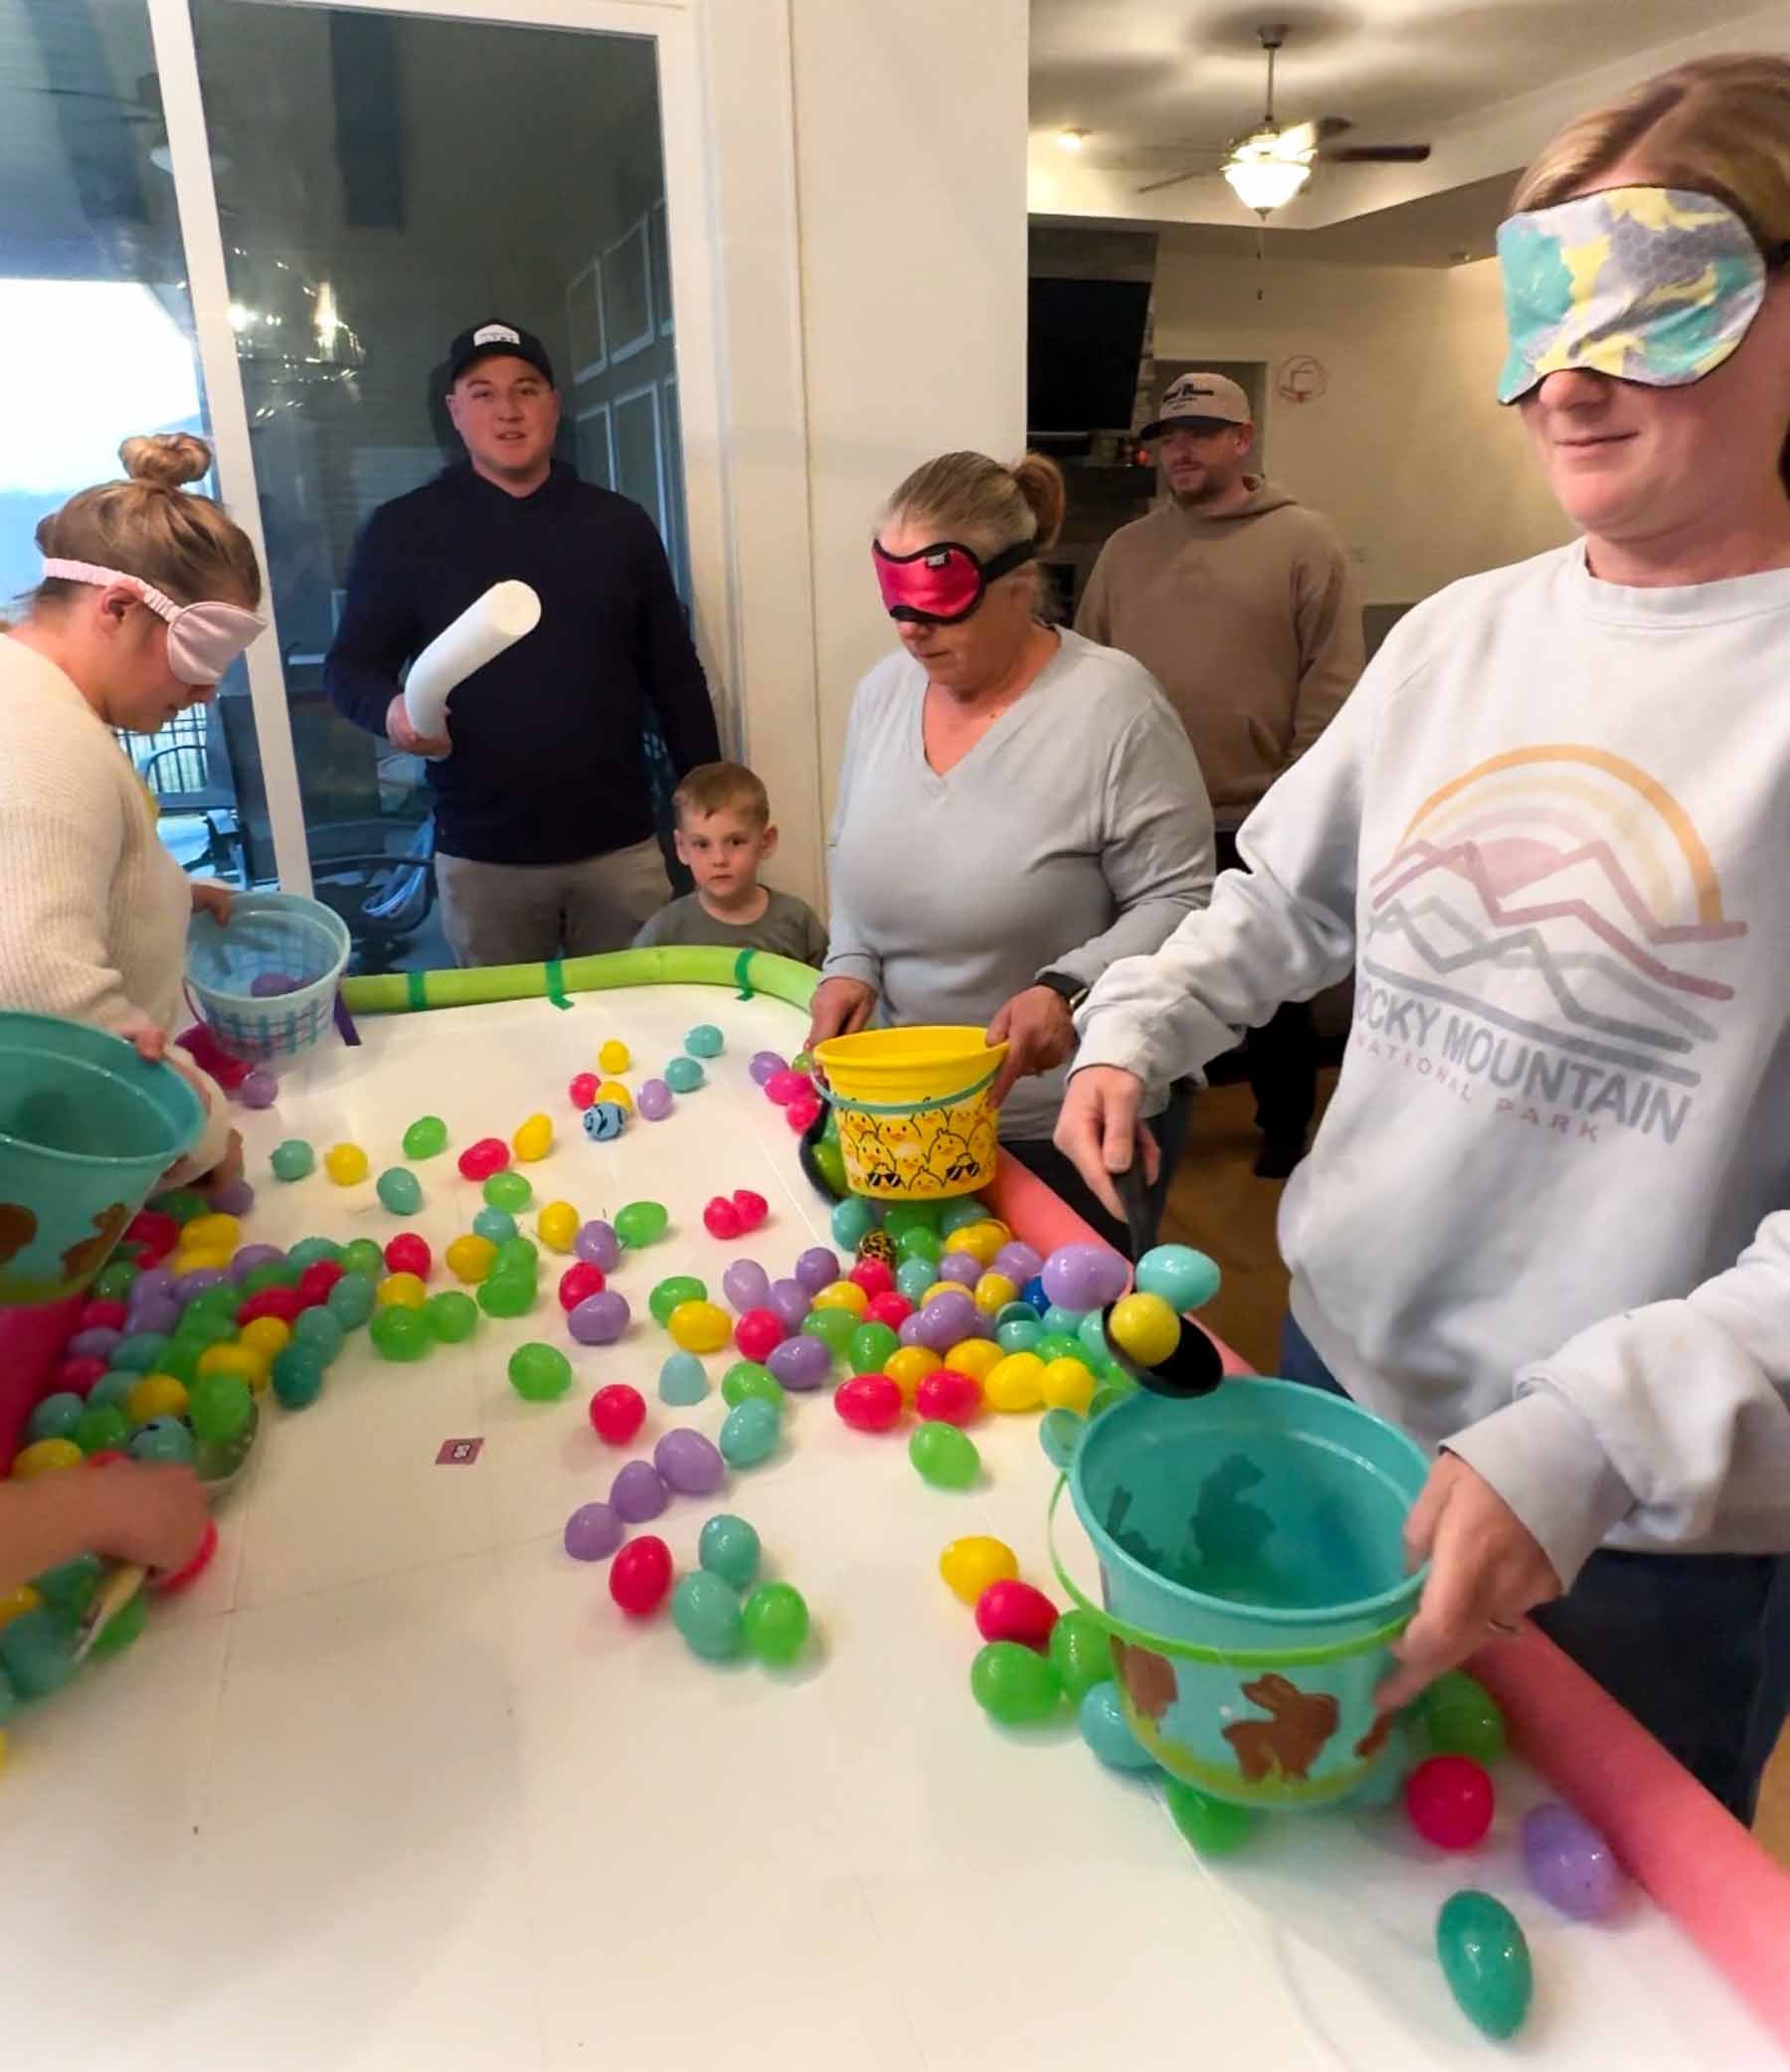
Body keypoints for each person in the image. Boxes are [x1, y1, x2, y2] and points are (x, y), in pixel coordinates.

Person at [1053, 53, 1790, 1819]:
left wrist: (1594, 1435)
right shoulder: (1459, 636)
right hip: (1338, 1372)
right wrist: (1137, 1022)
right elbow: (1288, 894)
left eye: (1655, 302)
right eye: (1539, 311)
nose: (1568, 375)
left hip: (1635, 1522)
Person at [806, 450, 1214, 1253]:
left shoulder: (1114, 708)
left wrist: (1066, 988)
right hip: (905, 1119)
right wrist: (848, 961)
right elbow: (851, 848)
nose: (911, 628)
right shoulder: (882, 695)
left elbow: (1183, 901)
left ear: (1020, 585)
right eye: (896, 602)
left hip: (1066, 1122)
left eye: (937, 603)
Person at [324, 321, 720, 965]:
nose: (507, 410)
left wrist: (707, 803)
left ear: (554, 404)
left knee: (637, 1029)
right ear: (455, 412)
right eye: (482, 393)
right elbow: (350, 668)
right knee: (507, 1045)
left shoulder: (617, 525)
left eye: (526, 389)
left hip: (619, 849)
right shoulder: (404, 531)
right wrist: (391, 709)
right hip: (484, 857)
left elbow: (674, 674)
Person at [1077, 372, 1363, 1177]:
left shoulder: (1305, 541)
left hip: (1256, 810)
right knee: (1137, 974)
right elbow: (1089, 670)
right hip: (1140, 815)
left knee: (1270, 987)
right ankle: (1139, 1117)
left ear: (1242, 439)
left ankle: (1282, 1129)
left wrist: (1297, 794)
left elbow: (1332, 680)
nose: (1180, 451)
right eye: (1168, 438)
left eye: (1200, 434)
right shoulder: (1127, 551)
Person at [0, 432, 261, 1189]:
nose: (207, 692)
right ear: (116, 608)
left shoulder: (34, 700)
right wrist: (200, 1133)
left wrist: (166, 893)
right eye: (198, 656)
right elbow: (35, 993)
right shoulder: (40, 738)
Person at [632, 762, 828, 967]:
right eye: (702, 844)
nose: (719, 859)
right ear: (681, 847)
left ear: (766, 842)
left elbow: (830, 990)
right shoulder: (664, 931)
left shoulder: (797, 921)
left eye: (736, 842)